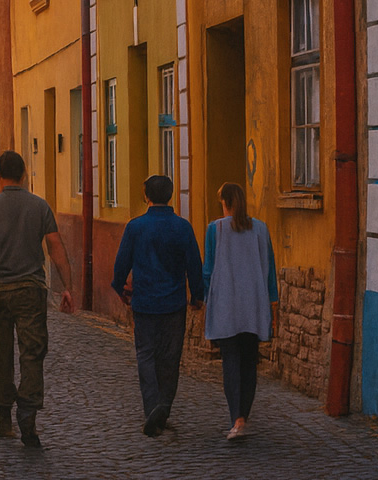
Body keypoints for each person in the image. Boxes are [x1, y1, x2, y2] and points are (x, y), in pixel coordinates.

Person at [0, 150, 74, 448]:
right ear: (24, 174)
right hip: (31, 290)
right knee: (32, 353)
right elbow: (56, 247)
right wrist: (68, 287)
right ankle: (28, 414)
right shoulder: (40, 206)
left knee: (0, 355)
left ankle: (3, 419)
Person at [111, 174, 205, 438]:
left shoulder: (136, 227)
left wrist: (119, 287)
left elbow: (122, 263)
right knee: (170, 358)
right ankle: (163, 408)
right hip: (173, 303)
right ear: (171, 195)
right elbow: (194, 265)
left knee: (146, 355)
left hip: (145, 302)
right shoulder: (182, 227)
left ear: (146, 196)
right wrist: (197, 295)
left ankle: (154, 407)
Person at [204, 181, 280, 441]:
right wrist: (273, 303)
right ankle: (242, 417)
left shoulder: (215, 230)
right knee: (249, 363)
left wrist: (206, 301)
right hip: (253, 306)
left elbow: (208, 270)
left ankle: (236, 417)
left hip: (226, 305)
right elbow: (269, 269)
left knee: (231, 363)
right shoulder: (260, 229)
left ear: (224, 202)